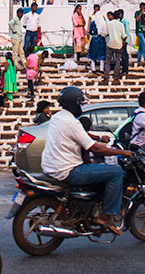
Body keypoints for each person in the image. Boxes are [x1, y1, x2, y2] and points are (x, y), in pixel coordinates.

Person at [41, 87, 133, 233]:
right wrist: (122, 152)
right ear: (74, 104)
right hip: (69, 170)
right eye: (80, 103)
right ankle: (106, 216)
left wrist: (98, 137)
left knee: (100, 169)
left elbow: (80, 135)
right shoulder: (72, 122)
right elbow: (95, 149)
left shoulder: (58, 118)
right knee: (116, 171)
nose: (82, 106)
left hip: (52, 166)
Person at [104, 10, 126, 83]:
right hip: (119, 44)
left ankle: (106, 76)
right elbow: (124, 36)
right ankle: (115, 77)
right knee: (117, 60)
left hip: (110, 44)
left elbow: (106, 33)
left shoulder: (109, 24)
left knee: (107, 61)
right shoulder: (121, 24)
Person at [87, 5, 107, 74]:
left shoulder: (93, 22)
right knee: (101, 54)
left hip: (94, 39)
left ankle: (93, 68)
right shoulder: (103, 22)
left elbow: (90, 31)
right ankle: (101, 68)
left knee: (93, 54)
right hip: (101, 39)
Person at [118, 10, 131, 77]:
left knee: (124, 56)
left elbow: (126, 32)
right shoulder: (119, 22)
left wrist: (125, 41)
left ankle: (125, 70)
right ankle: (124, 70)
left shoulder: (125, 22)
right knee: (122, 56)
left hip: (124, 41)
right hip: (121, 40)